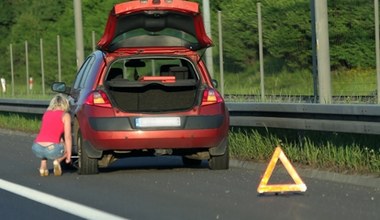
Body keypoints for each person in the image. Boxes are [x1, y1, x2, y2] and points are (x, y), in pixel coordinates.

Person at [32, 94, 72, 176]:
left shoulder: (46, 114)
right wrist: (69, 154)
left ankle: (43, 167)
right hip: (52, 149)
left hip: (36, 147)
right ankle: (58, 161)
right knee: (65, 144)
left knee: (46, 141)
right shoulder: (65, 115)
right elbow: (68, 137)